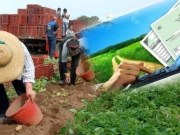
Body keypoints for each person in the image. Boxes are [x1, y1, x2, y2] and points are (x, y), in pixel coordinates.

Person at [0, 31, 36, 122]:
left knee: (20, 82)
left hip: (17, 69)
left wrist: (29, 88)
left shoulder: (20, 47)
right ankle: (2, 112)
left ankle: (28, 105)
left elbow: (29, 67)